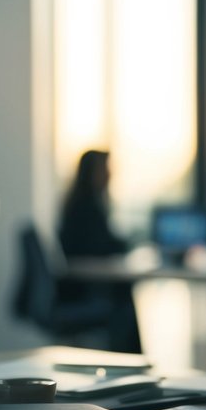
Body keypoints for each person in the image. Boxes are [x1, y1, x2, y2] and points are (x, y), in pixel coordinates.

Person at [57, 150, 142, 353]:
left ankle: (131, 362)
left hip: (84, 287)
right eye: (105, 169)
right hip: (83, 292)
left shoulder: (84, 202)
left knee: (124, 293)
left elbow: (105, 242)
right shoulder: (84, 206)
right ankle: (131, 361)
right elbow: (99, 246)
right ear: (92, 172)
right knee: (123, 300)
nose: (110, 174)